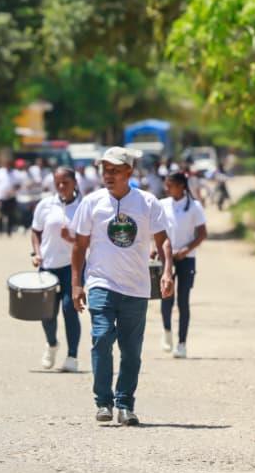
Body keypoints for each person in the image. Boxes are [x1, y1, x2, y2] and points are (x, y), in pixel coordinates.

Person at [71, 148, 173, 426]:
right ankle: (103, 401)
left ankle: (125, 404)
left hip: (136, 288)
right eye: (105, 170)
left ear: (129, 172)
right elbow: (79, 246)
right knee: (102, 338)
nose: (108, 175)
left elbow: (163, 240)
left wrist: (167, 271)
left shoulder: (148, 202)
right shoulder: (91, 203)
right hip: (101, 283)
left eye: (115, 170)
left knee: (131, 351)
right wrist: (77, 284)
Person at [30, 167, 83, 372]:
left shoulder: (83, 206)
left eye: (66, 183)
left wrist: (72, 239)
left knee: (70, 309)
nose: (61, 187)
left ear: (75, 183)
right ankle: (52, 344)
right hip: (48, 266)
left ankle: (72, 356)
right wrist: (36, 253)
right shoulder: (45, 205)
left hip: (72, 265)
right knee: (47, 313)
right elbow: (36, 231)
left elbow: (91, 237)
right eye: (58, 183)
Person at [159, 171, 207, 359]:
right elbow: (158, 232)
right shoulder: (163, 205)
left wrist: (186, 250)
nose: (167, 188)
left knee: (183, 300)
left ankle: (182, 343)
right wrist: (156, 249)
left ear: (181, 187)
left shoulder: (194, 207)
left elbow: (202, 234)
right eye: (166, 185)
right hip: (166, 256)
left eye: (170, 185)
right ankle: (167, 331)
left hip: (186, 258)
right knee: (166, 296)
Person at [0, 160, 18, 237]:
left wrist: (12, 191)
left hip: (11, 197)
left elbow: (18, 184)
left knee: (10, 215)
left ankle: (9, 232)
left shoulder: (15, 173)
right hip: (0, 197)